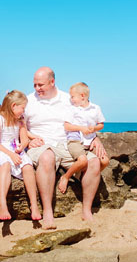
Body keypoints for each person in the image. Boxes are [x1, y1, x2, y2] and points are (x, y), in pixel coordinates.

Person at [24, 67, 108, 228]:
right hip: (41, 144)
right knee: (47, 157)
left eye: (40, 85)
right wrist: (28, 141)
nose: (37, 89)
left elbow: (85, 120)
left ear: (52, 82)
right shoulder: (29, 101)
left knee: (94, 162)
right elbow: (18, 126)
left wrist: (95, 138)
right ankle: (48, 212)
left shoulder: (68, 99)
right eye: (35, 85)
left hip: (67, 144)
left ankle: (86, 210)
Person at [0, 90, 41, 221]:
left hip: (15, 148)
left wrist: (22, 146)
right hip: (2, 150)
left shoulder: (20, 120)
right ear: (13, 106)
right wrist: (10, 154)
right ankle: (2, 202)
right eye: (22, 108)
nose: (23, 111)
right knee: (6, 164)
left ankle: (34, 204)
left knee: (28, 166)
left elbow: (24, 139)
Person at [58, 82, 110, 194]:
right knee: (82, 161)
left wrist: (94, 129)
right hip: (75, 140)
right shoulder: (72, 109)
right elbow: (67, 126)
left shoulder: (95, 108)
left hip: (90, 140)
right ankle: (66, 177)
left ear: (82, 96)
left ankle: (88, 176)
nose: (71, 99)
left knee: (105, 161)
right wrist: (81, 128)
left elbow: (101, 124)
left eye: (72, 96)